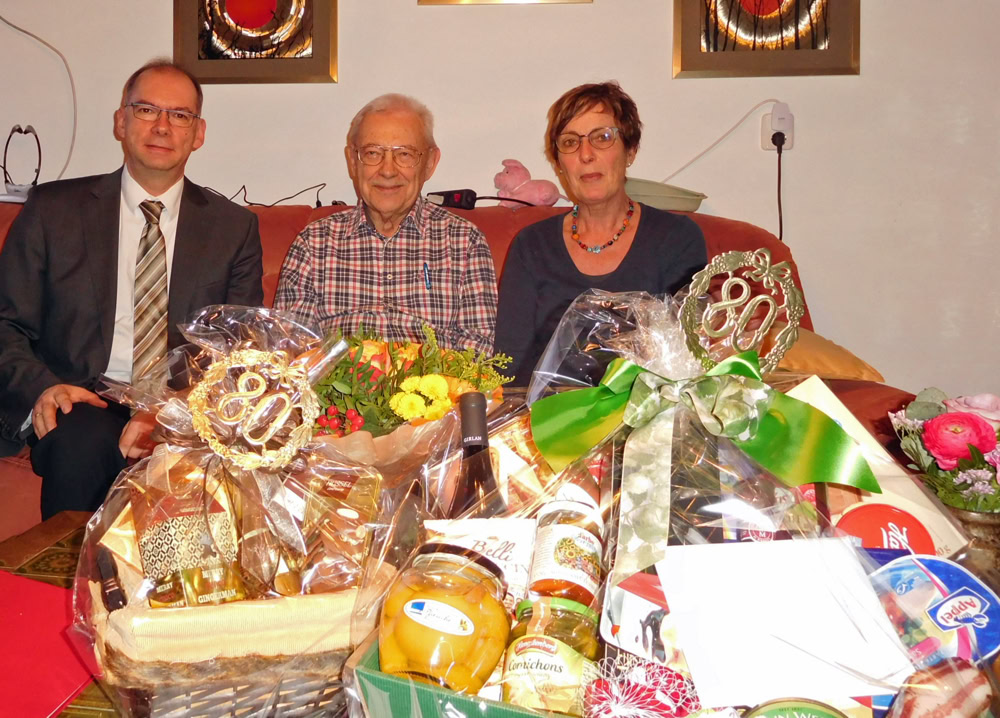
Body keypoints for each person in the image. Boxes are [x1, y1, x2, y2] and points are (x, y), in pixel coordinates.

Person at [0, 59, 263, 518]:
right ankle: (72, 568)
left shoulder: (233, 228)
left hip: (182, 405)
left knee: (197, 454)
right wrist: (45, 388)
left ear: (198, 133)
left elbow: (239, 348)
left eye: (179, 115)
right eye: (146, 110)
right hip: (78, 397)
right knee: (80, 441)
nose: (162, 126)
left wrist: (171, 410)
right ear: (121, 122)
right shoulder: (54, 210)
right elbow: (6, 324)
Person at [495, 82, 708, 385]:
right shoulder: (531, 246)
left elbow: (689, 356)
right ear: (559, 163)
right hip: (547, 410)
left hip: (645, 408)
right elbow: (507, 365)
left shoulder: (676, 238)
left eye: (602, 137)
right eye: (570, 142)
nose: (586, 155)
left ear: (630, 150)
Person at [274, 94, 497, 354]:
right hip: (340, 378)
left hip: (435, 379)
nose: (388, 170)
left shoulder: (465, 242)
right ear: (352, 161)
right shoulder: (313, 244)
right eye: (372, 153)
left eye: (404, 154)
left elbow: (478, 349)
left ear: (429, 164)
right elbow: (289, 348)